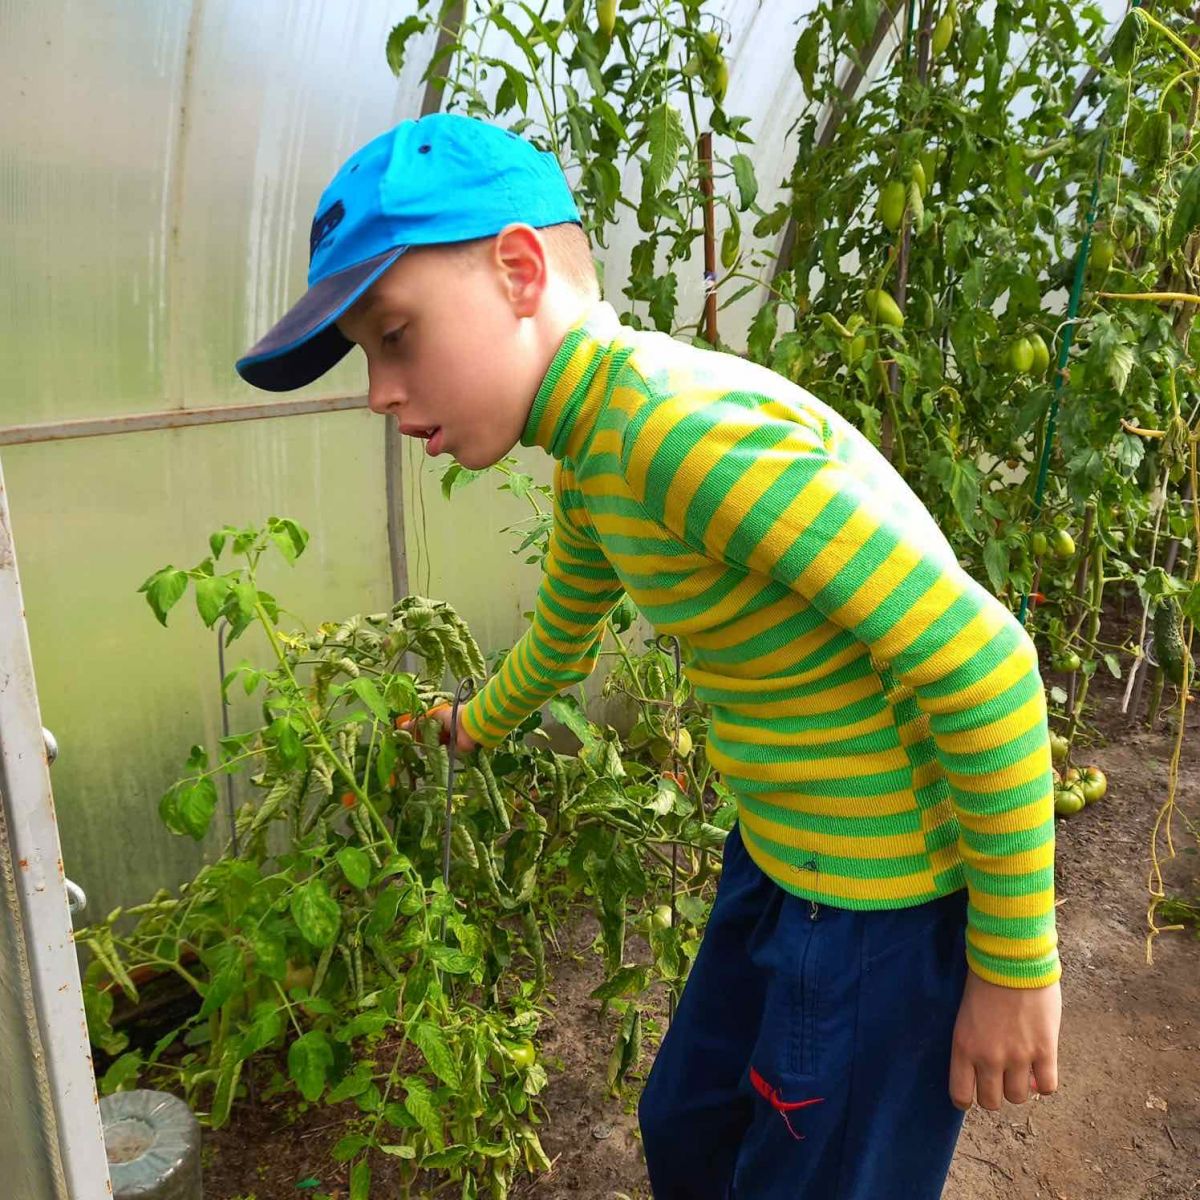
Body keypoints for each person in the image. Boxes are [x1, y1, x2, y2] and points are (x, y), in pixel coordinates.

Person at [236, 112, 1062, 1199]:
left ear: (518, 270)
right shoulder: (595, 456)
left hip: (881, 909)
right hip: (778, 859)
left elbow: (987, 664)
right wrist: (467, 724)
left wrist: (1013, 967)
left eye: (394, 336)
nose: (381, 393)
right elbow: (559, 640)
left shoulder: (672, 433)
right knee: (687, 1127)